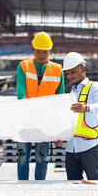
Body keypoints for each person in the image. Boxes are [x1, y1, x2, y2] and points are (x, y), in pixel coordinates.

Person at [16, 31, 65, 180]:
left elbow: (59, 102)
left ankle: (39, 189)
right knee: (23, 159)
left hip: (45, 123)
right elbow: (21, 95)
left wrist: (57, 130)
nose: (42, 56)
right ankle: (23, 190)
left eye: (45, 52)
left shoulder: (58, 70)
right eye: (38, 52)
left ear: (50, 50)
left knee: (42, 159)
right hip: (25, 121)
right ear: (33, 50)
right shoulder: (23, 66)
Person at [61, 52, 98, 180]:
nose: (70, 76)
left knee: (95, 184)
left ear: (82, 69)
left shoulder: (94, 87)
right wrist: (59, 135)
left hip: (89, 146)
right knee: (73, 185)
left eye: (73, 72)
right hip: (71, 148)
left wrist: (86, 108)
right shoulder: (72, 92)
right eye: (68, 73)